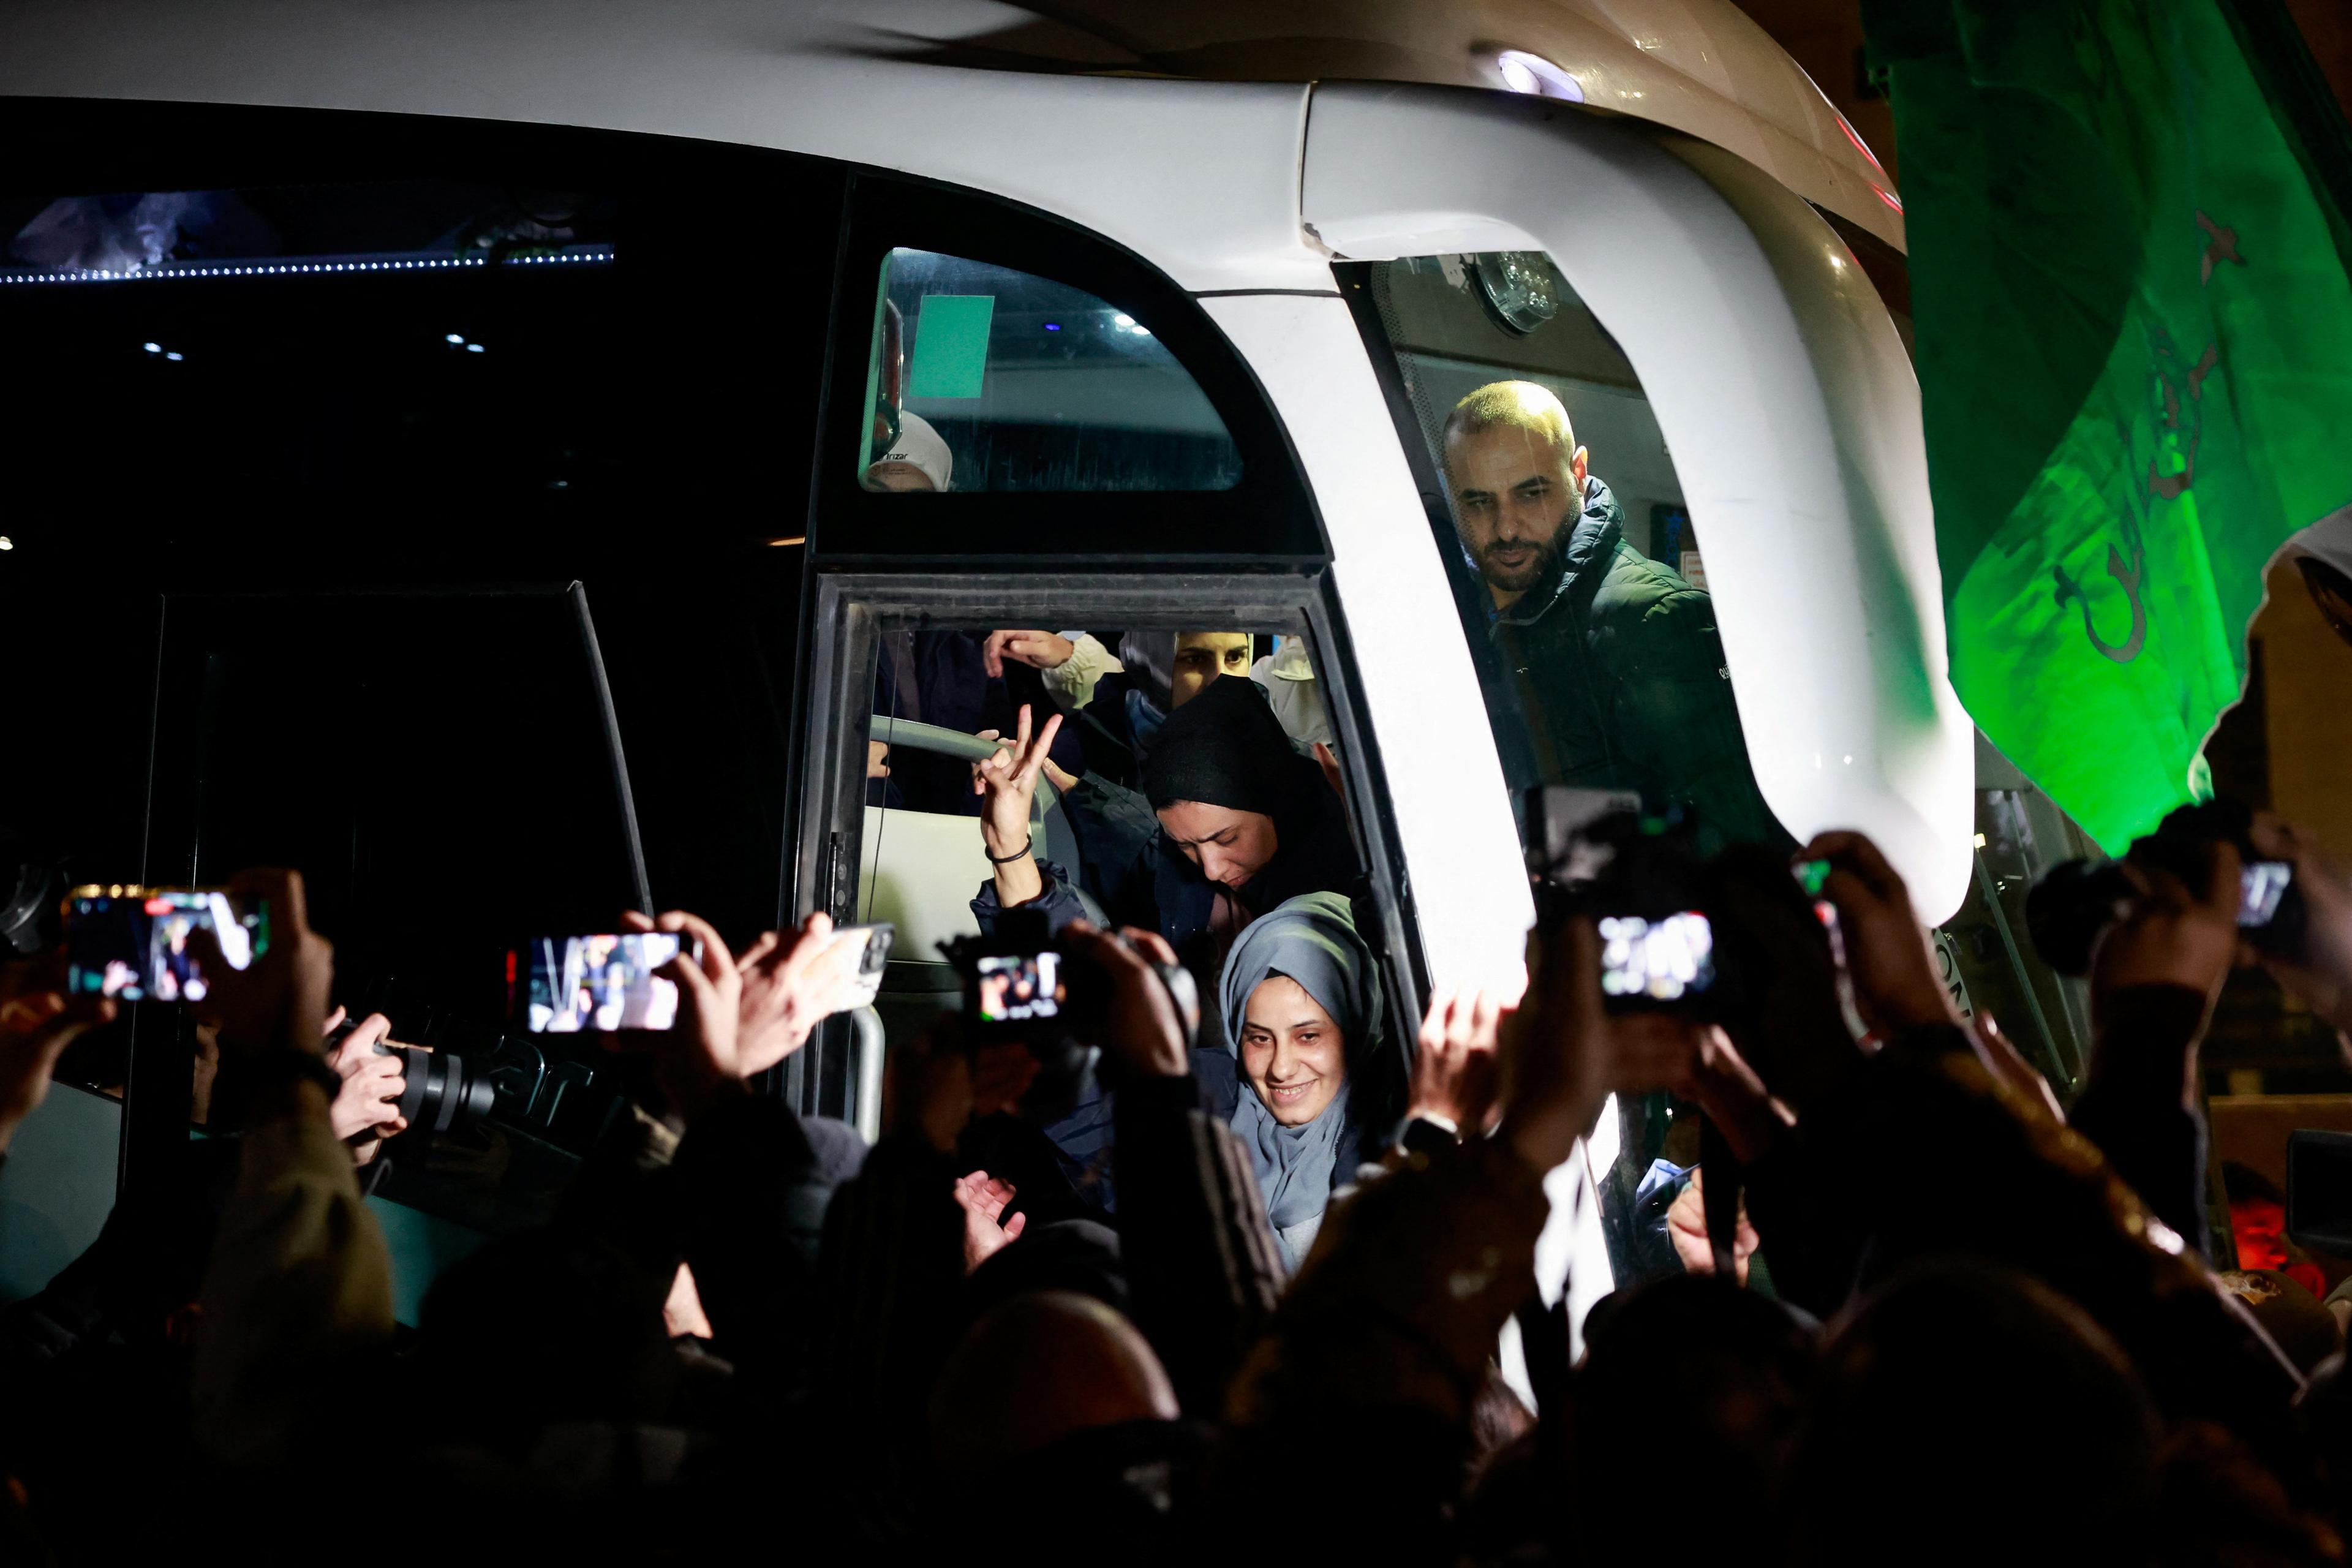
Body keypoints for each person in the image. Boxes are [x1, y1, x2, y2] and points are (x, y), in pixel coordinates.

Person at [1441, 379, 1779, 848]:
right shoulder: (1449, 611)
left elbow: (1735, 844)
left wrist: (1530, 836)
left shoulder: (1654, 622)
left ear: (1578, 473)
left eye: (1531, 493)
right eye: (1478, 501)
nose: (1506, 527)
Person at [970, 676, 1361, 972]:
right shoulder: (1173, 870)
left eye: (1226, 838)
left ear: (1276, 798)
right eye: (1187, 846)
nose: (1210, 868)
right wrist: (1011, 841)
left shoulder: (1363, 882)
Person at [1209, 891, 1385, 1273]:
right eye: (1259, 1038)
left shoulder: (1397, 1144)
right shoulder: (1212, 1129)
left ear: (1356, 1027)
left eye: (1309, 1036)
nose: (1282, 1069)